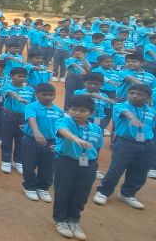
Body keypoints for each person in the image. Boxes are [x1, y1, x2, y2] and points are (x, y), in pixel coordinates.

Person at [93, 84, 155, 210]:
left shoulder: (152, 111)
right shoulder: (121, 106)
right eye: (132, 93)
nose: (135, 96)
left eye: (140, 94)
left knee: (140, 171)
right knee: (116, 169)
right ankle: (103, 192)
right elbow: (125, 113)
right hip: (125, 142)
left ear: (148, 97)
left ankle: (127, 194)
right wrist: (133, 117)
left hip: (147, 143)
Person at [52, 95, 103, 240]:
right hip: (67, 162)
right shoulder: (64, 121)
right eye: (74, 109)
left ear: (90, 113)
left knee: (82, 193)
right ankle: (60, 219)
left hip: (89, 164)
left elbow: (97, 147)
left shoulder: (96, 129)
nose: (77, 113)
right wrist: (75, 138)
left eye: (83, 110)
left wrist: (94, 164)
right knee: (63, 191)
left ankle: (73, 220)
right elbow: (62, 130)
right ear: (69, 109)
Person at [21, 83, 63, 202]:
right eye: (44, 94)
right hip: (31, 139)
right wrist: (37, 133)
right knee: (29, 164)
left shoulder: (58, 111)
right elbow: (31, 119)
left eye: (51, 95)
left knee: (48, 166)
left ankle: (43, 188)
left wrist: (60, 142)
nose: (48, 97)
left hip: (51, 141)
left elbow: (61, 127)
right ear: (37, 95)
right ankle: (30, 187)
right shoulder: (32, 107)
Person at [0, 67, 36, 174]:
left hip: (24, 118)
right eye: (19, 76)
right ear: (11, 76)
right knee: (7, 138)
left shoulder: (30, 90)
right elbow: (10, 93)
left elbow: (34, 104)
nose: (22, 78)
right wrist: (18, 97)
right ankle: (6, 161)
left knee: (21, 139)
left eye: (24, 76)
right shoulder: (6, 87)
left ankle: (18, 161)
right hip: (9, 116)